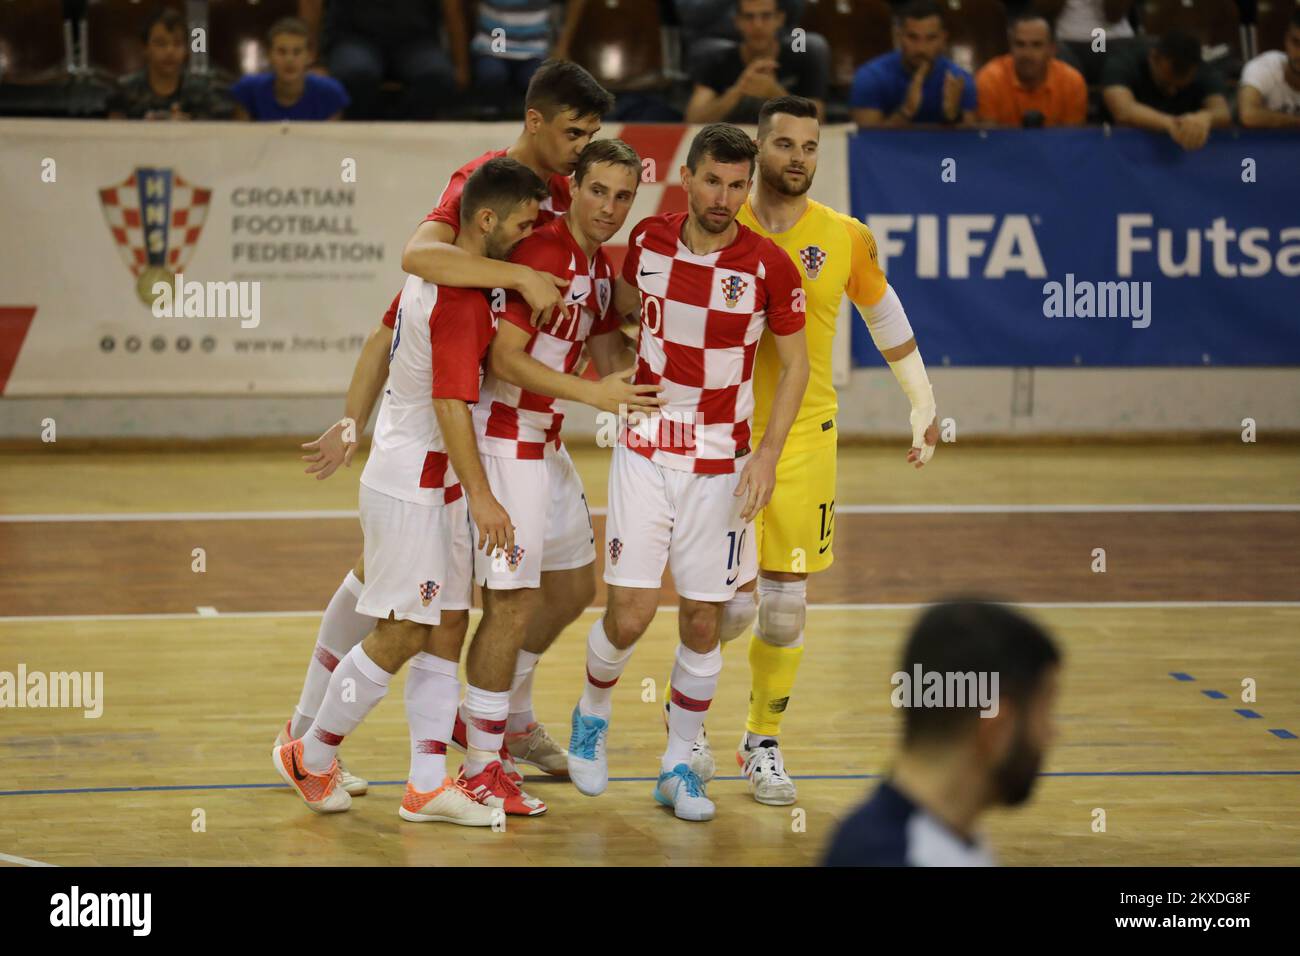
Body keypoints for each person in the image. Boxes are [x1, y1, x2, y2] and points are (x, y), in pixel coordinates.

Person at [281, 59, 617, 787]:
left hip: (516, 425)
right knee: (407, 601)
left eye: (592, 133)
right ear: (534, 123)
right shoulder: (480, 183)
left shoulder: (565, 192)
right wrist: (353, 417)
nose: (582, 145)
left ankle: (473, 739)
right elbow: (414, 264)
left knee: (547, 591)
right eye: (573, 132)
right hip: (464, 427)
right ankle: (312, 737)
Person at [665, 96, 938, 805]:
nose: (798, 158)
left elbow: (885, 314)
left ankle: (761, 742)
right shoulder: (720, 221)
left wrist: (923, 401)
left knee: (785, 609)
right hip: (721, 439)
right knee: (727, 609)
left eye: (810, 147)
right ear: (756, 152)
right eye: (783, 144)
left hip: (805, 441)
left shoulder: (845, 236)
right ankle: (685, 731)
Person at [273, 157, 550, 823]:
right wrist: (484, 496)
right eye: (522, 223)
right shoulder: (458, 298)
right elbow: (453, 404)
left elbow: (389, 335)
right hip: (414, 483)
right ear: (486, 220)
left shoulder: (445, 274)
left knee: (441, 626)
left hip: (430, 481)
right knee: (400, 632)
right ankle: (309, 754)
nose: (530, 234)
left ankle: (426, 784)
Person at [566, 124, 811, 823]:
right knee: (632, 613)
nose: (724, 197)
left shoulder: (769, 265)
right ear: (688, 176)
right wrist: (612, 375)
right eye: (712, 181)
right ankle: (592, 716)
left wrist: (765, 454)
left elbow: (795, 365)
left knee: (706, 619)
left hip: (721, 464)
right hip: (645, 451)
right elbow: (613, 315)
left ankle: (678, 767)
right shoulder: (646, 240)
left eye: (738, 185)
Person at [444, 138, 662, 783]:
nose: (610, 207)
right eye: (598, 191)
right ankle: (481, 758)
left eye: (624, 196)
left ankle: (506, 719)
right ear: (575, 188)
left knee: (571, 588)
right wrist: (597, 393)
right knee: (509, 604)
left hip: (545, 439)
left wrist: (651, 363)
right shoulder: (542, 250)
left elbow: (602, 349)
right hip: (504, 438)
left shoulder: (599, 264)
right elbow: (503, 359)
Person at [823, 601, 1062, 866]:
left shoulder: (942, 834)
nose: (1052, 734)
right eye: (1044, 713)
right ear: (996, 730)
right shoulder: (904, 856)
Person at [307, 0, 464, 119]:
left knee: (437, 75)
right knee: (356, 74)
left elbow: (452, 6)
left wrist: (461, 65)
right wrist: (312, 58)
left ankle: (406, 139)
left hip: (416, 40)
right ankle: (363, 142)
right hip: (354, 38)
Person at [685, 0, 828, 124]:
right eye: (749, 17)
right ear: (737, 22)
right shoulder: (717, 59)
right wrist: (739, 90)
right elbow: (692, 120)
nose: (757, 25)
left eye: (766, 16)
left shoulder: (804, 56)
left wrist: (775, 93)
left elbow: (818, 121)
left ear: (780, 19)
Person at [850, 0, 976, 128]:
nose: (921, 48)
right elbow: (866, 141)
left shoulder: (958, 80)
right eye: (912, 37)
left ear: (943, 38)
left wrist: (954, 116)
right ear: (898, 36)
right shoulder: (871, 77)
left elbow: (971, 144)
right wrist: (906, 111)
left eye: (931, 38)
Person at [1102, 28, 1231, 151]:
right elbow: (1123, 111)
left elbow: (1222, 112)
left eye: (1180, 87)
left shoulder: (1204, 70)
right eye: (1165, 84)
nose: (1172, 91)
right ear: (1153, 58)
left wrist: (1205, 117)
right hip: (1120, 147)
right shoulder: (1124, 60)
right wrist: (1171, 124)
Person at [106, 8, 232, 120]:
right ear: (144, 48)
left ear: (186, 49)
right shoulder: (123, 92)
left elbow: (210, 137)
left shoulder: (202, 92)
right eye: (161, 44)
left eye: (177, 44)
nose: (169, 51)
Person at [976, 13, 1087, 127]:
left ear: (1052, 49)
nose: (1027, 54)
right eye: (1020, 44)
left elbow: (1073, 139)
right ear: (1010, 47)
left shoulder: (1072, 82)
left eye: (1037, 45)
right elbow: (988, 138)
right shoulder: (990, 79)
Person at [230, 18, 349, 121]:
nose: (289, 60)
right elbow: (239, 143)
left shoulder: (330, 94)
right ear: (268, 55)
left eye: (297, 52)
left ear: (310, 56)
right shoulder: (248, 91)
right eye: (281, 51)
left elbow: (330, 145)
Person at [1238, 10, 1300, 129]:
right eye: (1296, 42)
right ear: (1286, 40)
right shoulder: (1263, 67)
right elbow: (1248, 116)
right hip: (1265, 145)